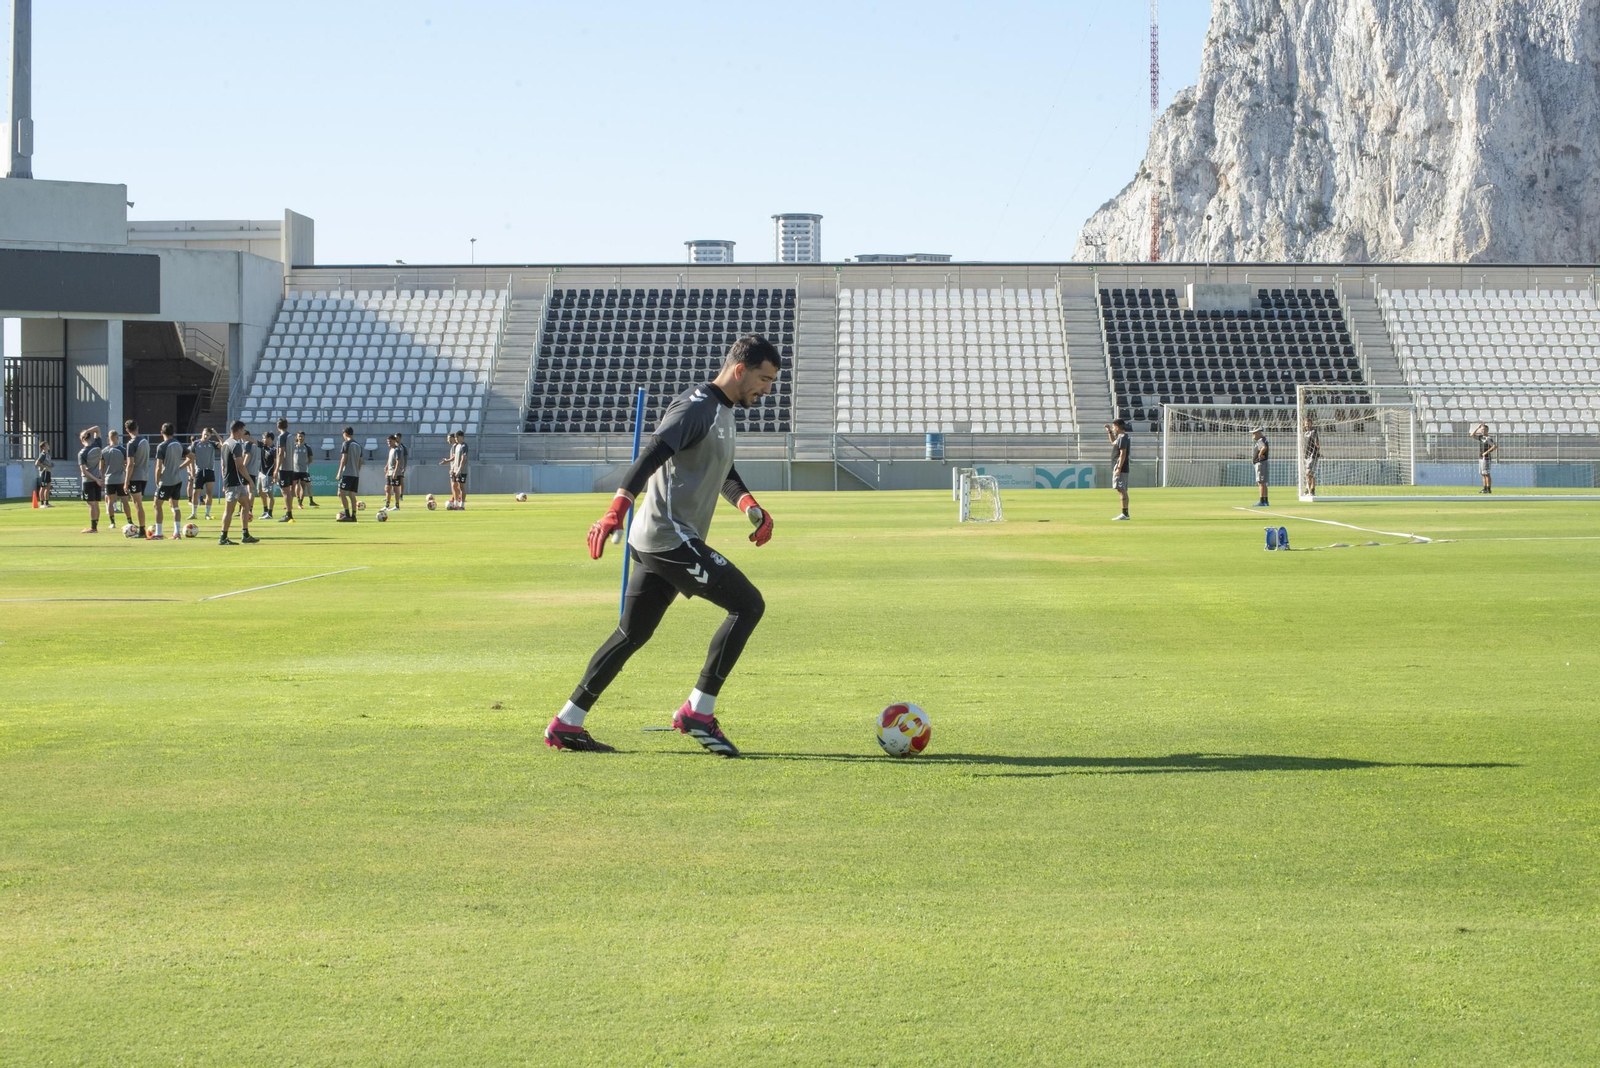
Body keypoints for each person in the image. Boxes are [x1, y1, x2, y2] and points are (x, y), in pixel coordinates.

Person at [547, 335, 782, 757]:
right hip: (669, 536)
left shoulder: (723, 411)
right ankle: (698, 711)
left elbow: (722, 467)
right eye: (764, 379)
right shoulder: (697, 406)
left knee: (630, 633)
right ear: (740, 369)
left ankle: (567, 721)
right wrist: (616, 507)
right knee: (748, 605)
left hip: (660, 537)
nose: (767, 390)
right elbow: (654, 452)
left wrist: (749, 505)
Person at [151, 422, 194, 540]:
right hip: (177, 479)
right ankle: (177, 533)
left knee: (157, 505)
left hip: (166, 480)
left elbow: (158, 466)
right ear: (173, 432)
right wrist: (180, 467)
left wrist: (157, 479)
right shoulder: (178, 444)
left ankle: (159, 533)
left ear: (161, 432)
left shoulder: (162, 446)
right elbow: (191, 457)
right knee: (175, 506)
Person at [218, 419, 258, 545]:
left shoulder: (225, 444)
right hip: (234, 482)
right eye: (243, 431)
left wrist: (224, 481)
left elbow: (223, 465)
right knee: (229, 510)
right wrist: (250, 480)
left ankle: (245, 534)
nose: (244, 433)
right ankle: (223, 537)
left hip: (235, 482)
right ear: (239, 430)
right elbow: (240, 466)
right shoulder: (236, 445)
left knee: (246, 505)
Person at [123, 419, 152, 537]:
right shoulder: (145, 441)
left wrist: (126, 482)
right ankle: (142, 529)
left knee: (137, 504)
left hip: (136, 476)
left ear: (127, 430)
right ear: (137, 427)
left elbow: (130, 464)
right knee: (138, 502)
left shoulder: (131, 443)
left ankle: (142, 530)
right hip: (145, 475)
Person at [77, 428, 105, 533]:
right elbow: (97, 428)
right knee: (96, 504)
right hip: (97, 478)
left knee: (91, 504)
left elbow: (84, 471)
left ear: (82, 439)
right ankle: (95, 525)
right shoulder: (97, 445)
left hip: (89, 480)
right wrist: (98, 479)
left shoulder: (82, 453)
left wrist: (96, 480)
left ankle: (93, 528)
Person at [101, 430, 129, 530]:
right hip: (120, 478)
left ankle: (112, 522)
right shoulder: (122, 449)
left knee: (110, 501)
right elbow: (127, 464)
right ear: (117, 437)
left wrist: (102, 479)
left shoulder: (104, 451)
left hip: (109, 479)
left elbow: (101, 467)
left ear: (109, 438)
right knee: (125, 501)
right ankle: (129, 521)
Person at [189, 428, 218, 520]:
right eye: (204, 434)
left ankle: (207, 514)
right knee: (195, 492)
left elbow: (223, 444)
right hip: (199, 471)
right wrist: (192, 470)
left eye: (208, 435)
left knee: (209, 493)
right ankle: (194, 513)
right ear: (202, 433)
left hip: (209, 470)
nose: (205, 436)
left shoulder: (212, 444)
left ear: (210, 436)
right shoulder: (196, 444)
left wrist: (216, 434)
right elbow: (191, 458)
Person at [334, 426, 362, 522]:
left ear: (345, 434)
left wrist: (339, 472)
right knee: (351, 495)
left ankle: (347, 515)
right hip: (355, 474)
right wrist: (357, 470)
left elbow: (344, 458)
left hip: (348, 473)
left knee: (340, 493)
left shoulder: (346, 443)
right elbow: (361, 461)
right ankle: (353, 516)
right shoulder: (358, 445)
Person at [1105, 419, 1131, 520]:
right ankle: (1125, 513)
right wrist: (1109, 431)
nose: (1113, 429)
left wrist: (1119, 468)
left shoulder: (1123, 438)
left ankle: (1125, 514)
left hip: (1121, 467)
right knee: (1122, 490)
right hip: (1121, 467)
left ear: (1117, 427)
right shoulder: (1121, 437)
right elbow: (1113, 442)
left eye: (1113, 427)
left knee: (1121, 490)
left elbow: (1123, 453)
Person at [1473, 423, 1496, 494]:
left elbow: (1494, 446)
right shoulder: (1481, 437)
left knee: (1486, 474)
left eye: (1484, 429)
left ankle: (1488, 488)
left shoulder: (1488, 438)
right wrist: (1477, 428)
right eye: (1482, 429)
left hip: (1486, 458)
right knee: (1483, 474)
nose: (1483, 431)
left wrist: (1486, 452)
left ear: (1487, 430)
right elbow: (1472, 435)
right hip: (1481, 457)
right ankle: (1485, 488)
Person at [1250, 426, 1270, 507]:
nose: (1253, 436)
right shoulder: (1261, 440)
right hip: (1261, 464)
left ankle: (1262, 501)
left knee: (1261, 482)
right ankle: (1265, 500)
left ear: (1258, 433)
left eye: (1254, 434)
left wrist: (1260, 454)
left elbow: (1264, 447)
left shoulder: (1261, 440)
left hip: (1261, 464)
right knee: (1263, 483)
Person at [1302, 416, 1321, 497]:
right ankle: (1308, 490)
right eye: (1306, 424)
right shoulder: (1305, 433)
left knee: (1310, 473)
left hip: (1312, 456)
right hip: (1306, 456)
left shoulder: (1313, 432)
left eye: (1308, 423)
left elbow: (1317, 444)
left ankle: (1311, 491)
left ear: (1311, 424)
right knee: (1308, 474)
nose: (1307, 425)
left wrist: (1318, 452)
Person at [383, 433, 403, 510]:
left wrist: (395, 472)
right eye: (388, 442)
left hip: (395, 472)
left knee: (395, 489)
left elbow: (398, 461)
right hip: (390, 472)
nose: (389, 443)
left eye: (390, 441)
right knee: (387, 488)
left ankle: (397, 506)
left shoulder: (397, 450)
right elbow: (389, 460)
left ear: (394, 441)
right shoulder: (391, 450)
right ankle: (387, 505)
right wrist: (387, 468)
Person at [33, 440, 53, 507]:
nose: (48, 446)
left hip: (48, 472)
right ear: (44, 447)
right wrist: (44, 467)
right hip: (44, 473)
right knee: (43, 487)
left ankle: (47, 503)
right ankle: (42, 503)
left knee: (48, 487)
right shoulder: (43, 455)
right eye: (47, 445)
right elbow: (37, 463)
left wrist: (51, 465)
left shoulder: (48, 455)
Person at [392, 431, 409, 507]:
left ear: (400, 438)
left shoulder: (402, 447)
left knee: (401, 480)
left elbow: (405, 457)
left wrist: (404, 467)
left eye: (397, 437)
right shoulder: (394, 447)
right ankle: (394, 495)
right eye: (395, 437)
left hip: (400, 467)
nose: (396, 439)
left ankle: (401, 495)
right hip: (394, 467)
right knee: (393, 481)